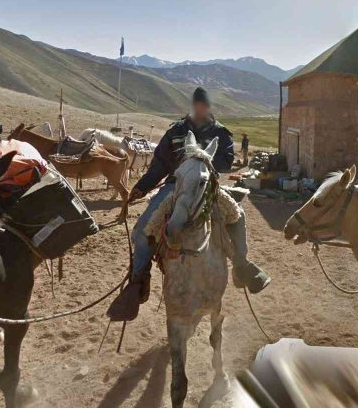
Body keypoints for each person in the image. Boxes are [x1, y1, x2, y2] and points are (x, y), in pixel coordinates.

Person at [106, 87, 271, 321]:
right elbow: (160, 164)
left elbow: (226, 162)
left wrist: (204, 159)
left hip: (207, 186)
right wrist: (142, 186)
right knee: (143, 230)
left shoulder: (221, 133)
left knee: (238, 214)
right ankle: (138, 281)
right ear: (193, 106)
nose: (201, 109)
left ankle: (242, 266)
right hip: (175, 187)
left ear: (209, 107)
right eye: (197, 105)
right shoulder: (177, 130)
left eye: (205, 105)